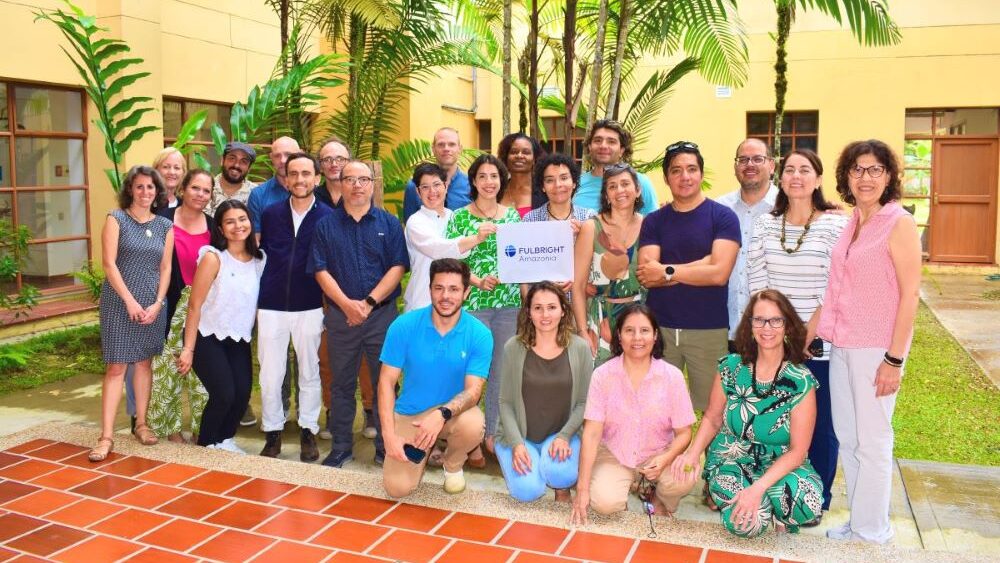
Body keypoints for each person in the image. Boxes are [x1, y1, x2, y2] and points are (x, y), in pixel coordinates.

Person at [817, 140, 921, 544]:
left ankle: (872, 530)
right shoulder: (852, 221)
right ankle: (861, 519)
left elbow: (910, 293)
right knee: (849, 436)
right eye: (858, 170)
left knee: (874, 439)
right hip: (843, 344)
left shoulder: (899, 222)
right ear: (846, 176)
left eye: (875, 169)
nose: (866, 177)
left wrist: (894, 360)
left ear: (890, 176)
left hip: (877, 348)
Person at [671, 289, 824, 537]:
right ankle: (761, 508)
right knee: (745, 525)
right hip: (732, 459)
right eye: (759, 319)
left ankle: (774, 507)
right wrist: (692, 454)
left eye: (776, 320)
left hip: (780, 462)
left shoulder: (801, 381)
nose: (767, 327)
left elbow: (798, 450)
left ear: (787, 326)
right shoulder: (730, 367)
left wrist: (758, 489)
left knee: (805, 502)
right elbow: (712, 417)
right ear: (750, 324)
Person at [747, 149, 848, 516]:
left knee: (821, 427)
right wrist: (775, 333)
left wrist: (806, 333)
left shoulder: (837, 225)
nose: (796, 176)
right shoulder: (765, 225)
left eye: (805, 170)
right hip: (774, 342)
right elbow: (758, 283)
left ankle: (815, 500)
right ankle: (771, 490)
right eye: (789, 169)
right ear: (780, 177)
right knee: (774, 421)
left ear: (818, 179)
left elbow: (837, 285)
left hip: (820, 344)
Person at [309, 160, 408, 468]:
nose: (356, 185)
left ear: (372, 184)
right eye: (349, 179)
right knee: (341, 383)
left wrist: (367, 303)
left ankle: (385, 445)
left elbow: (398, 266)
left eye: (362, 179)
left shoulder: (389, 223)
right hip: (341, 317)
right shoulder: (325, 225)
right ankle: (340, 446)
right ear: (340, 183)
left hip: (381, 316)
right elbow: (320, 270)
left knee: (385, 382)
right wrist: (349, 306)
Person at [636, 141, 740, 414]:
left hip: (708, 330)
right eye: (677, 170)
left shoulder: (723, 217)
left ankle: (715, 460)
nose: (685, 177)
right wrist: (702, 264)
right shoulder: (654, 221)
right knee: (656, 413)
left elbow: (719, 274)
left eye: (692, 169)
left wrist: (668, 271)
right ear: (667, 177)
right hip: (661, 331)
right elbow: (648, 274)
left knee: (714, 414)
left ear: (701, 174)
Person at [571, 304, 695, 524]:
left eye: (645, 331)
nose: (637, 338)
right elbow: (591, 434)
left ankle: (658, 497)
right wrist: (582, 488)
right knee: (605, 504)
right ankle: (630, 487)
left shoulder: (672, 377)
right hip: (615, 454)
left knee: (686, 474)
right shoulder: (602, 375)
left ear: (655, 335)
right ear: (619, 336)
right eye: (629, 331)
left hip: (659, 453)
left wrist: (666, 459)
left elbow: (685, 433)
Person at [379, 259, 493, 497]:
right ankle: (426, 449)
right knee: (397, 489)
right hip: (411, 414)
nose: (445, 296)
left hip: (452, 415)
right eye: (438, 288)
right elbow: (386, 383)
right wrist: (388, 435)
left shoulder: (479, 334)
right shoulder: (403, 325)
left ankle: (452, 466)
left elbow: (474, 392)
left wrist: (441, 415)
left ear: (466, 292)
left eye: (454, 289)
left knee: (473, 424)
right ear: (429, 288)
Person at [90, 166, 174, 462]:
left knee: (144, 364)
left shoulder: (165, 226)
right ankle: (106, 436)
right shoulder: (117, 219)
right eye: (139, 187)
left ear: (157, 192)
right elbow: (109, 264)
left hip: (152, 306)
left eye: (150, 187)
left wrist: (158, 303)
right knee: (116, 368)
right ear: (130, 190)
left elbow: (166, 268)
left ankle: (141, 424)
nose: (145, 192)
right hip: (119, 302)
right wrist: (129, 301)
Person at [256, 153, 333, 462]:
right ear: (285, 179)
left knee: (310, 371)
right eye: (293, 174)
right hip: (271, 304)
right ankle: (272, 432)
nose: (300, 180)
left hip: (310, 305)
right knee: (270, 373)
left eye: (306, 173)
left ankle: (308, 431)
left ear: (317, 178)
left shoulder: (328, 216)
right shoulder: (271, 213)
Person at [445, 154, 522, 454]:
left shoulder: (513, 217)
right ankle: (468, 438)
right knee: (472, 371)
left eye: (495, 176)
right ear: (473, 181)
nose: (489, 182)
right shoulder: (459, 217)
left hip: (509, 303)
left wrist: (507, 276)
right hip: (474, 302)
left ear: (502, 180)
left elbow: (521, 259)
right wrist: (476, 280)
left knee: (502, 371)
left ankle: (492, 435)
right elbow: (451, 262)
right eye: (483, 176)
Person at [177, 200, 266, 453]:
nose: (238, 225)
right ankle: (207, 444)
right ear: (220, 228)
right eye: (230, 221)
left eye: (242, 219)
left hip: (238, 338)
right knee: (224, 394)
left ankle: (224, 439)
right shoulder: (213, 258)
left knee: (241, 396)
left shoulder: (259, 260)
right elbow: (195, 306)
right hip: (207, 336)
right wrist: (188, 349)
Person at [496, 282, 592, 503]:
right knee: (527, 492)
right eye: (537, 308)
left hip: (560, 435)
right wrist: (517, 444)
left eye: (551, 307)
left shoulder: (580, 348)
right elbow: (506, 403)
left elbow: (584, 402)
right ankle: (534, 463)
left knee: (561, 475)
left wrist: (565, 436)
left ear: (563, 310)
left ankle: (553, 473)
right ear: (528, 312)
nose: (545, 314)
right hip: (519, 435)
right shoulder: (513, 347)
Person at [148, 169, 215, 444]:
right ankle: (171, 430)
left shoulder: (214, 226)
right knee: (168, 370)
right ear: (184, 189)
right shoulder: (162, 221)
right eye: (195, 188)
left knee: (203, 373)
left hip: (204, 308)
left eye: (206, 191)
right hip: (169, 304)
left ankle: (203, 428)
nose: (200, 194)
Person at [572, 164, 645, 363]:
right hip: (601, 318)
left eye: (625, 184)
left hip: (640, 320)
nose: (619, 190)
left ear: (637, 190)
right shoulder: (591, 228)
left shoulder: (649, 225)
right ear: (605, 195)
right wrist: (582, 330)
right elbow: (578, 285)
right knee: (601, 388)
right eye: (612, 186)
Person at [716, 138, 779, 348]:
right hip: (724, 330)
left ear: (772, 165)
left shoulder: (789, 207)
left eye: (757, 159)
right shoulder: (718, 209)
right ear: (735, 167)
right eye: (743, 160)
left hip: (773, 333)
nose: (749, 165)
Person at [403, 162, 487, 313]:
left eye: (436, 184)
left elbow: (464, 262)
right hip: (422, 303)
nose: (432, 191)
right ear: (417, 191)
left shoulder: (455, 217)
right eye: (425, 187)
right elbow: (439, 250)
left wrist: (480, 281)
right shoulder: (415, 222)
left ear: (446, 186)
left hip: (454, 304)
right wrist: (477, 238)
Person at [571, 120, 658, 215]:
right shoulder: (575, 184)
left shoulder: (639, 181)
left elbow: (654, 224)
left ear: (621, 150)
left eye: (611, 142)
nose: (603, 145)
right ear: (590, 147)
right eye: (598, 140)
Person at [402, 128, 471, 222]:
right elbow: (409, 224)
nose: (446, 148)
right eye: (441, 144)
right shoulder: (414, 186)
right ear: (433, 149)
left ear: (460, 149)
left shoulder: (472, 185)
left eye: (452, 144)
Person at [247, 136, 301, 231]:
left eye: (288, 154)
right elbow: (256, 239)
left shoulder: (313, 193)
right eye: (277, 156)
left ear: (300, 155)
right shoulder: (258, 195)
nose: (283, 160)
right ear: (271, 158)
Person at [497, 133, 546, 217]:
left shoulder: (545, 191)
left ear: (534, 159)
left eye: (526, 152)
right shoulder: (497, 190)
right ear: (506, 157)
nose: (519, 156)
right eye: (514, 152)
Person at [207, 141, 257, 216]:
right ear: (222, 160)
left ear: (249, 168)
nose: (236, 165)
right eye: (232, 158)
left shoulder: (256, 193)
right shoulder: (206, 187)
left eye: (243, 161)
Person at [315, 136, 351, 208]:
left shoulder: (359, 194)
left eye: (340, 159)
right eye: (327, 159)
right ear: (320, 167)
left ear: (349, 164)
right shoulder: (311, 198)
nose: (334, 164)